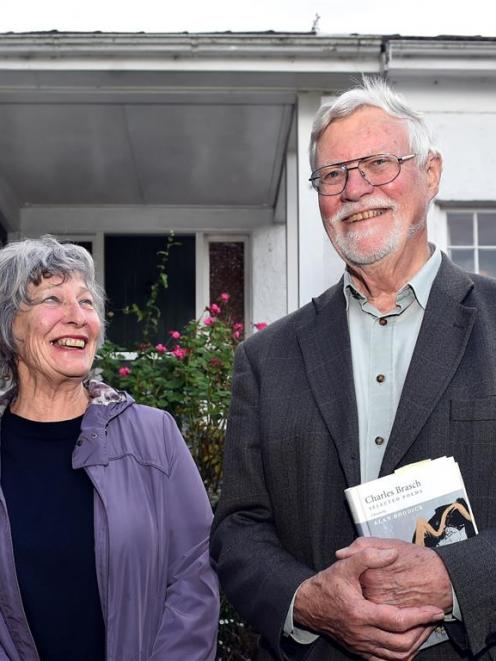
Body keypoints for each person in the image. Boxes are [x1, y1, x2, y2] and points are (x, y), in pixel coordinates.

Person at [211, 77, 496, 660]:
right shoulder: (266, 359)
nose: (355, 189)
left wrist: (459, 579)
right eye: (333, 175)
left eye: (378, 163)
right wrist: (306, 599)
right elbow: (237, 529)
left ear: (432, 173)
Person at [0, 236, 219, 660]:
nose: (78, 317)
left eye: (86, 302)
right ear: (10, 326)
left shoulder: (155, 435)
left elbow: (195, 575)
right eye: (52, 299)